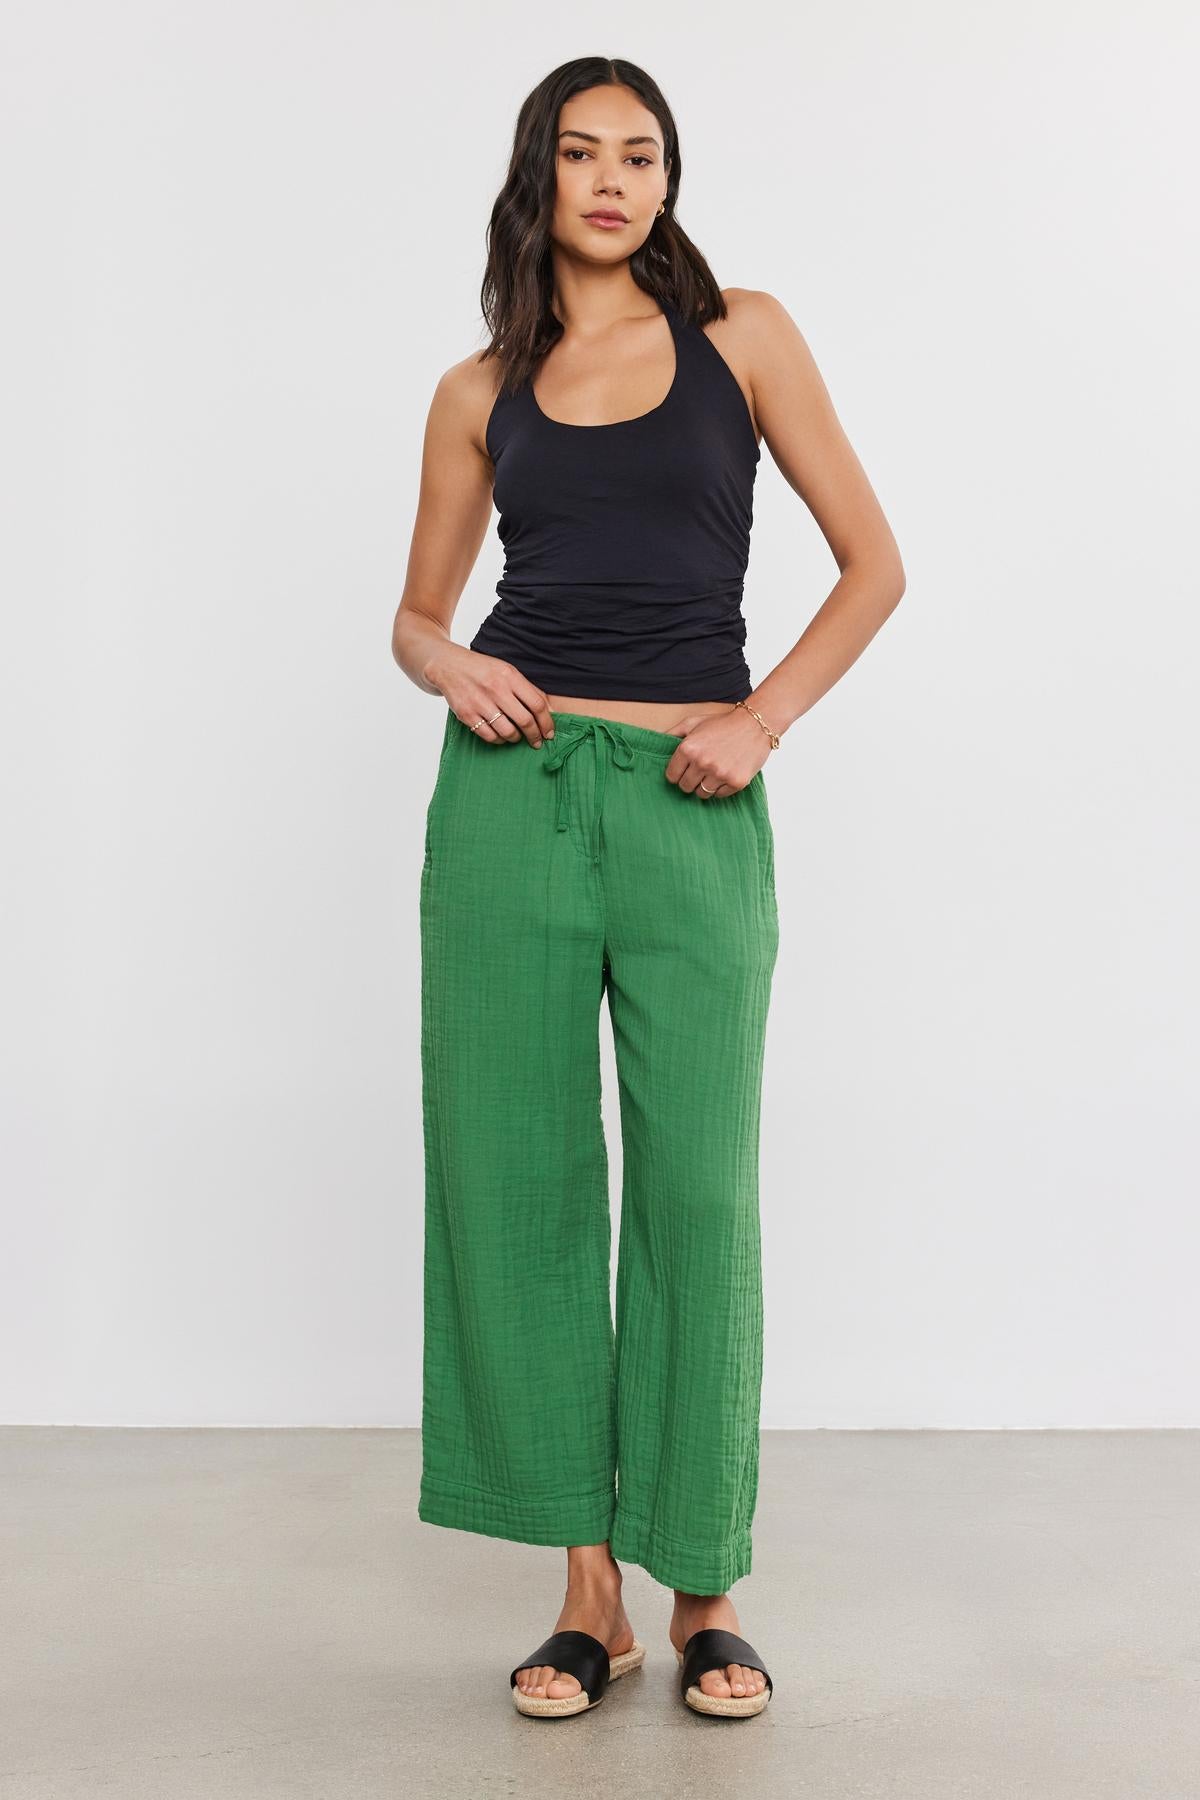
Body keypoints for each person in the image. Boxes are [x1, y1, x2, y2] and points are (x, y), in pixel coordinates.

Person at [391, 56, 905, 1721]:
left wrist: (763, 720)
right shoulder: (479, 387)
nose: (614, 180)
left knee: (696, 1198)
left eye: (644, 154)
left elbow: (874, 562)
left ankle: (708, 1589)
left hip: (694, 801)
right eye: (582, 152)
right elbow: (416, 613)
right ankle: (585, 1598)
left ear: (670, 181)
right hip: (512, 806)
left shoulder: (742, 335)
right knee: (520, 1190)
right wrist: (448, 667)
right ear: (536, 176)